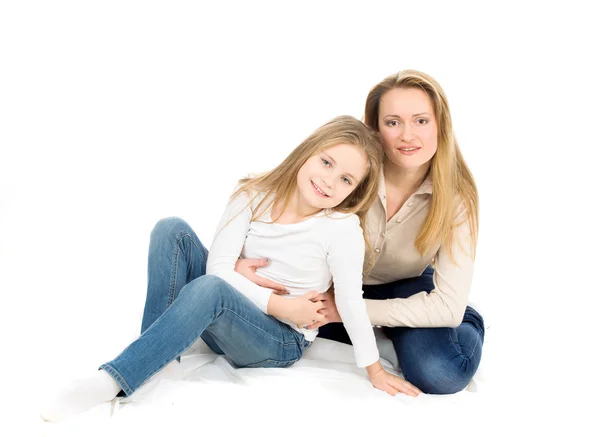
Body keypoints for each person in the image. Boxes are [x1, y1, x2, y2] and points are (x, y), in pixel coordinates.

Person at [40, 115, 421, 423]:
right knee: (170, 229)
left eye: (345, 180)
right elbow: (218, 267)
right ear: (308, 152)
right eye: (326, 162)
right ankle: (158, 362)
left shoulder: (340, 228)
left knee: (212, 288)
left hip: (280, 339)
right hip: (255, 310)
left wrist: (374, 370)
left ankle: (112, 379)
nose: (328, 180)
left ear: (354, 192)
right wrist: (276, 302)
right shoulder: (253, 194)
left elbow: (352, 301)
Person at [236, 70, 485, 395]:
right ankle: (385, 326)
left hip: (405, 287)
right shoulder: (350, 169)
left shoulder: (457, 197)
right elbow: (283, 206)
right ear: (375, 128)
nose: (407, 135)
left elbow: (447, 307)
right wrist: (240, 264)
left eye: (421, 121)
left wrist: (349, 311)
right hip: (336, 283)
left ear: (441, 124)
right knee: (264, 317)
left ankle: (467, 322)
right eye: (393, 122)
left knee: (441, 373)